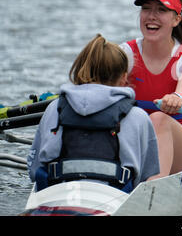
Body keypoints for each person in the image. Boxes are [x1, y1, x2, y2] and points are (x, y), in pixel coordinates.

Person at [27, 34, 160, 193]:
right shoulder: (138, 116)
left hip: (57, 195)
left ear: (81, 70)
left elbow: (34, 170)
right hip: (113, 198)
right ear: (124, 77)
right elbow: (143, 178)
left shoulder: (55, 108)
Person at [121, 0, 182, 178]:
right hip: (135, 139)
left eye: (161, 10)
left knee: (159, 119)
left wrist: (178, 96)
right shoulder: (125, 53)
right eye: (146, 9)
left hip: (181, 148)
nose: (151, 16)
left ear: (176, 19)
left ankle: (150, 192)